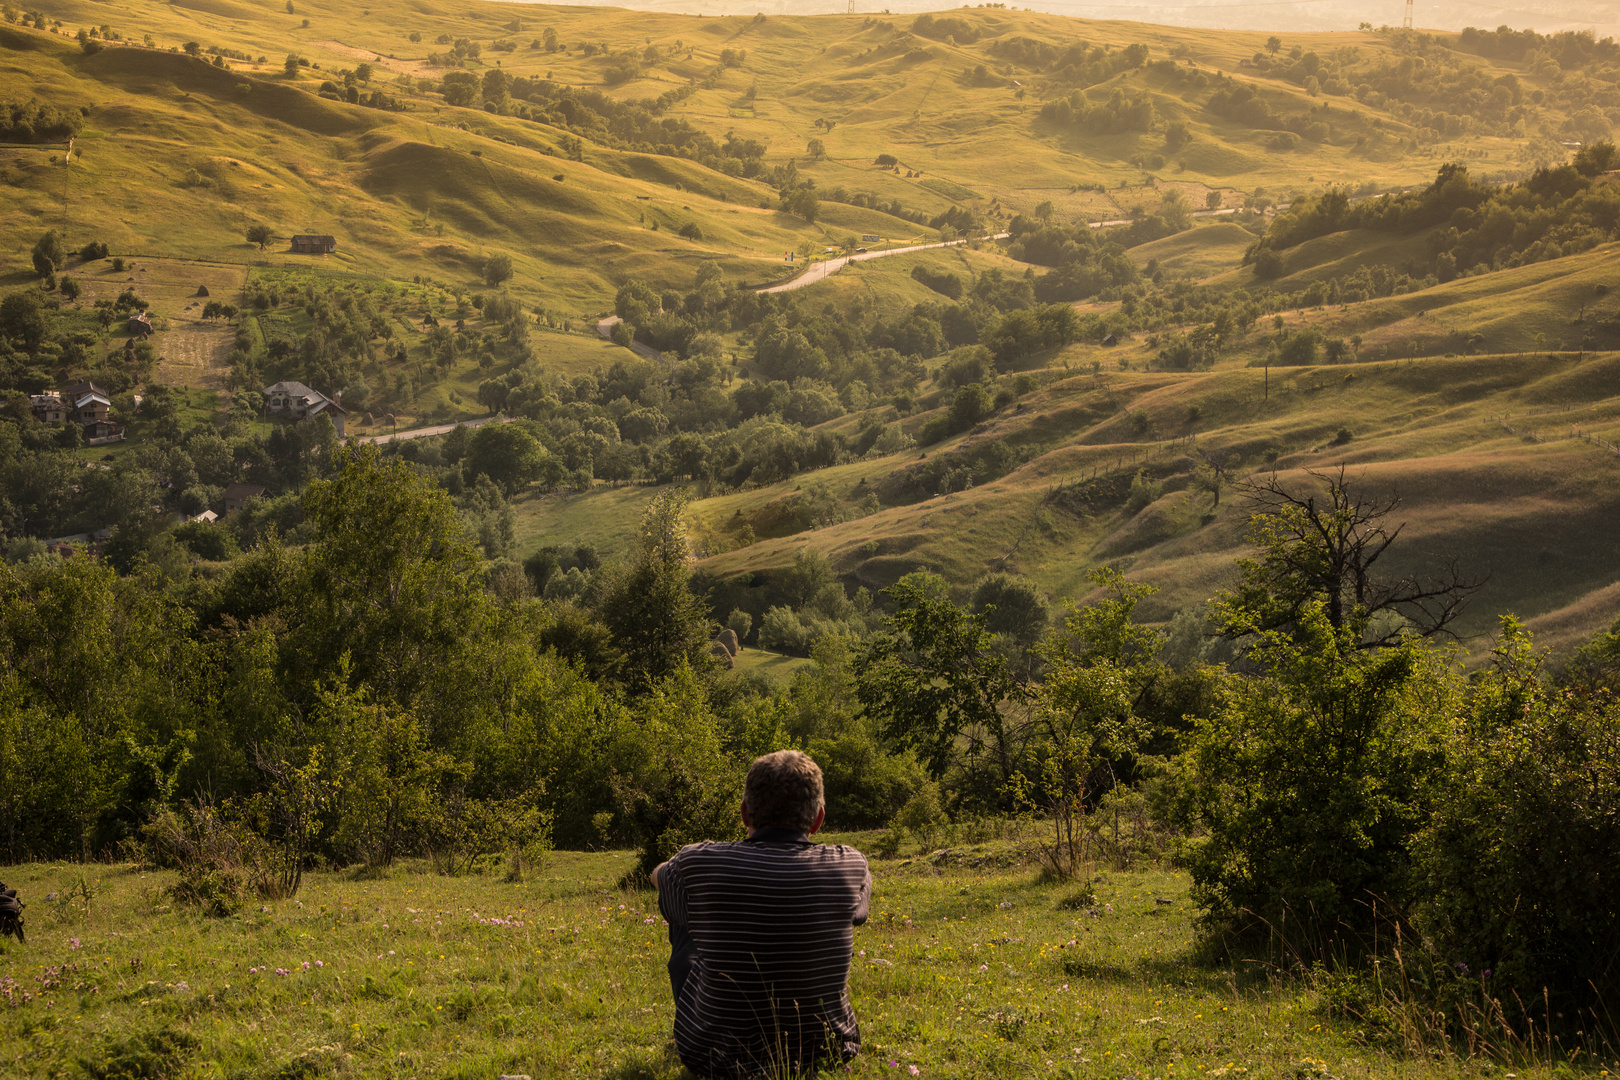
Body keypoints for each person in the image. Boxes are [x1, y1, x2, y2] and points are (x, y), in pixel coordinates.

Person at [651, 749, 872, 1077]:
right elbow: (860, 913)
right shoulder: (851, 864)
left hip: (714, 1057)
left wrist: (671, 871)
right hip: (826, 1051)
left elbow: (658, 875)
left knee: (685, 908)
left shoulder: (697, 863)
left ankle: (705, 1024)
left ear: (744, 813)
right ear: (818, 819)